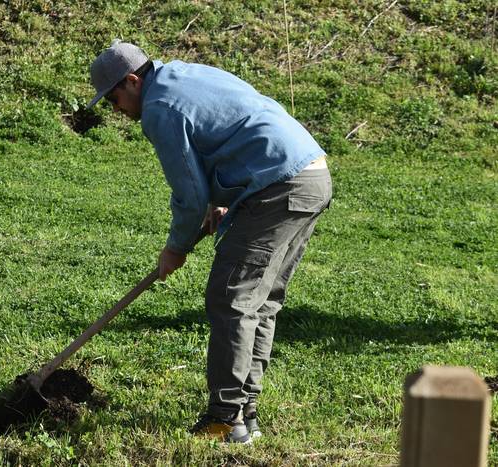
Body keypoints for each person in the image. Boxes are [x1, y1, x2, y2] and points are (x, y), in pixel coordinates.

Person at [87, 39, 332, 444]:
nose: (117, 110)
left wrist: (176, 247)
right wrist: (228, 197)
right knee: (261, 300)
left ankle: (225, 419)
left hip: (278, 186)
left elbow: (188, 193)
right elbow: (230, 130)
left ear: (132, 81)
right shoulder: (185, 74)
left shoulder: (159, 109)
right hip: (309, 174)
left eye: (114, 99)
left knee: (232, 298)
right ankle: (245, 412)